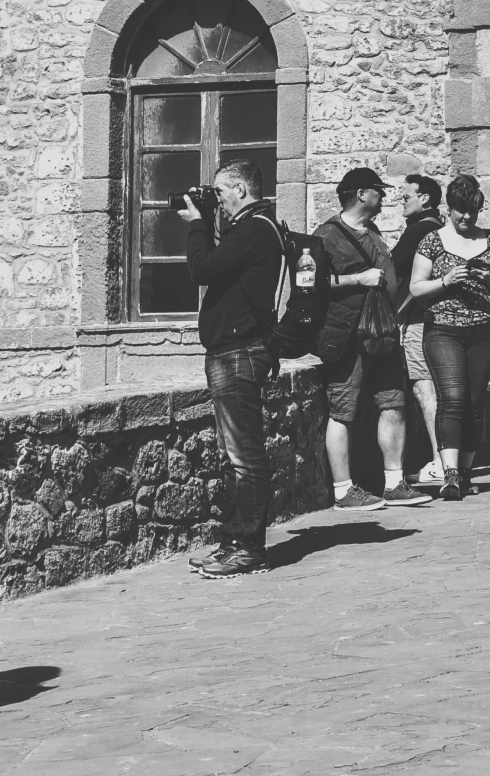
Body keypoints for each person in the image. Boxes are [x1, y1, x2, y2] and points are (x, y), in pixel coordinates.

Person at [179, 159, 288, 577]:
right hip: (233, 349)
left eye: (221, 193)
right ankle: (233, 540)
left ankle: (250, 548)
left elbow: (201, 269)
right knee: (231, 456)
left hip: (240, 352)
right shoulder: (253, 230)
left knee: (245, 456)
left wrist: (196, 224)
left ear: (241, 189)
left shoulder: (256, 230)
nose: (218, 202)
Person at [406, 174, 490, 500]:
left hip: (484, 331)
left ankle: (465, 472)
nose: (466, 217)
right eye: (461, 211)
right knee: (452, 398)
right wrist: (446, 281)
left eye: (472, 212)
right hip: (443, 329)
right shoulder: (432, 241)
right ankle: (448, 474)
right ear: (449, 208)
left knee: (475, 402)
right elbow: (416, 288)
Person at [315, 168, 430, 510]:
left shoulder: (374, 231)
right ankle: (342, 491)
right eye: (378, 191)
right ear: (362, 194)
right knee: (342, 411)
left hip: (383, 337)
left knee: (393, 404)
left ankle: (394, 483)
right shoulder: (326, 236)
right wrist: (358, 279)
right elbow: (313, 285)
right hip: (348, 338)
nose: (384, 196)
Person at [390, 175, 446, 488]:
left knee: (425, 390)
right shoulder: (440, 229)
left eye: (407, 194)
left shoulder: (420, 230)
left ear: (424, 198)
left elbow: (393, 270)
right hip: (439, 320)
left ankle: (439, 462)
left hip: (419, 321)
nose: (402, 199)